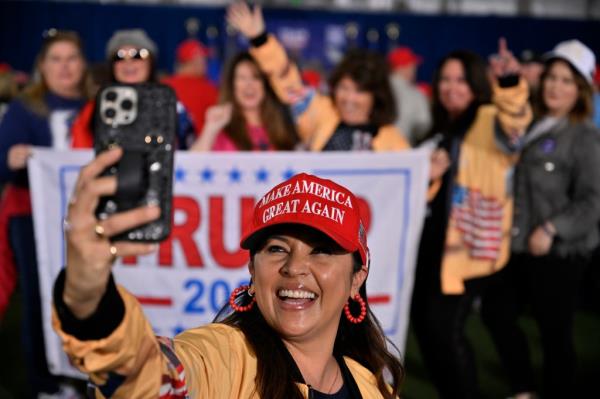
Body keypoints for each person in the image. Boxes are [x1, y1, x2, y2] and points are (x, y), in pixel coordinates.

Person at [52, 148, 404, 398]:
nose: (294, 268)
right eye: (277, 249)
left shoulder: (371, 386)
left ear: (357, 277)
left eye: (322, 251)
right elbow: (146, 377)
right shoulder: (223, 357)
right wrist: (88, 298)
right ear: (252, 268)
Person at [410, 39, 532, 399]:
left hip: (469, 253)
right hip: (433, 249)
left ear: (477, 84)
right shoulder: (439, 129)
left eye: (461, 80)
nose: (451, 87)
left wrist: (509, 84)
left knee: (445, 331)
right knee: (428, 331)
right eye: (445, 79)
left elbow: (515, 122)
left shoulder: (489, 117)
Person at [481, 39, 600, 399]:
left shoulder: (584, 136)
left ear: (580, 89)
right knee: (496, 313)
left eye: (566, 80)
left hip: (560, 253)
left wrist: (552, 229)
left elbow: (594, 201)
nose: (555, 86)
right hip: (518, 245)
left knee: (555, 333)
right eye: (551, 77)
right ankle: (524, 388)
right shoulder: (531, 121)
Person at [0, 29, 92, 397]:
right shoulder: (25, 108)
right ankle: (45, 381)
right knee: (42, 300)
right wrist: (11, 158)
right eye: (56, 59)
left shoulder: (95, 105)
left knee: (85, 297)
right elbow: (2, 164)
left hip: (83, 219)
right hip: (31, 218)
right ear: (42, 66)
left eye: (71, 58)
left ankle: (82, 372)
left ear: (83, 65)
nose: (64, 67)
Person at [226, 2, 408, 152]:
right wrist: (260, 39)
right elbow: (289, 83)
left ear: (376, 96)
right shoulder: (322, 113)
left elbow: (415, 185)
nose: (349, 98)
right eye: (344, 88)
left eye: (359, 91)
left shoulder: (392, 140)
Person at [71, 29, 196, 149]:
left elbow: (192, 157)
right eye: (119, 57)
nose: (128, 62)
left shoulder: (171, 105)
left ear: (150, 62)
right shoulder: (96, 108)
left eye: (137, 55)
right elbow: (80, 156)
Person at [190, 51, 298, 151]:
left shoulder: (283, 127)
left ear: (265, 85)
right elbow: (192, 166)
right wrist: (210, 128)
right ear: (232, 85)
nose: (249, 85)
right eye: (242, 78)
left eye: (256, 77)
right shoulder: (221, 128)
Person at [162, 38, 219, 133]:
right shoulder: (207, 89)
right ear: (195, 62)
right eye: (204, 60)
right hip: (202, 145)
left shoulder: (163, 85)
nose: (206, 64)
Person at [387, 46, 432, 145]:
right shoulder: (416, 94)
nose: (414, 69)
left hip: (373, 151)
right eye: (412, 65)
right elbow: (423, 127)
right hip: (403, 153)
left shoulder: (376, 88)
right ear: (404, 67)